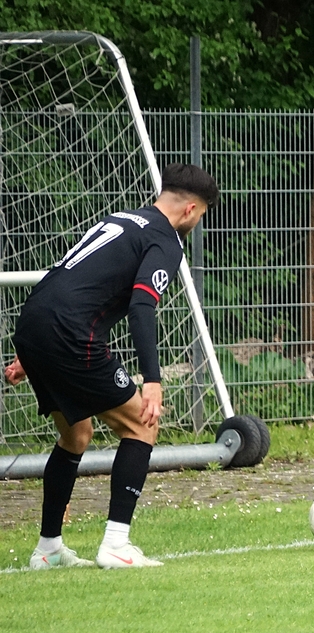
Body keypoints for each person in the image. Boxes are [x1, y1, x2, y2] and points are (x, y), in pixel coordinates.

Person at [4, 163, 219, 570]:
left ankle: (48, 550)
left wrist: (33, 350)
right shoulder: (165, 239)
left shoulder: (120, 219)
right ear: (191, 209)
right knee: (141, 424)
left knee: (77, 434)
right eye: (202, 214)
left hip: (34, 322)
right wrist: (152, 380)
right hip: (70, 333)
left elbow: (67, 275)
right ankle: (117, 544)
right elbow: (142, 305)